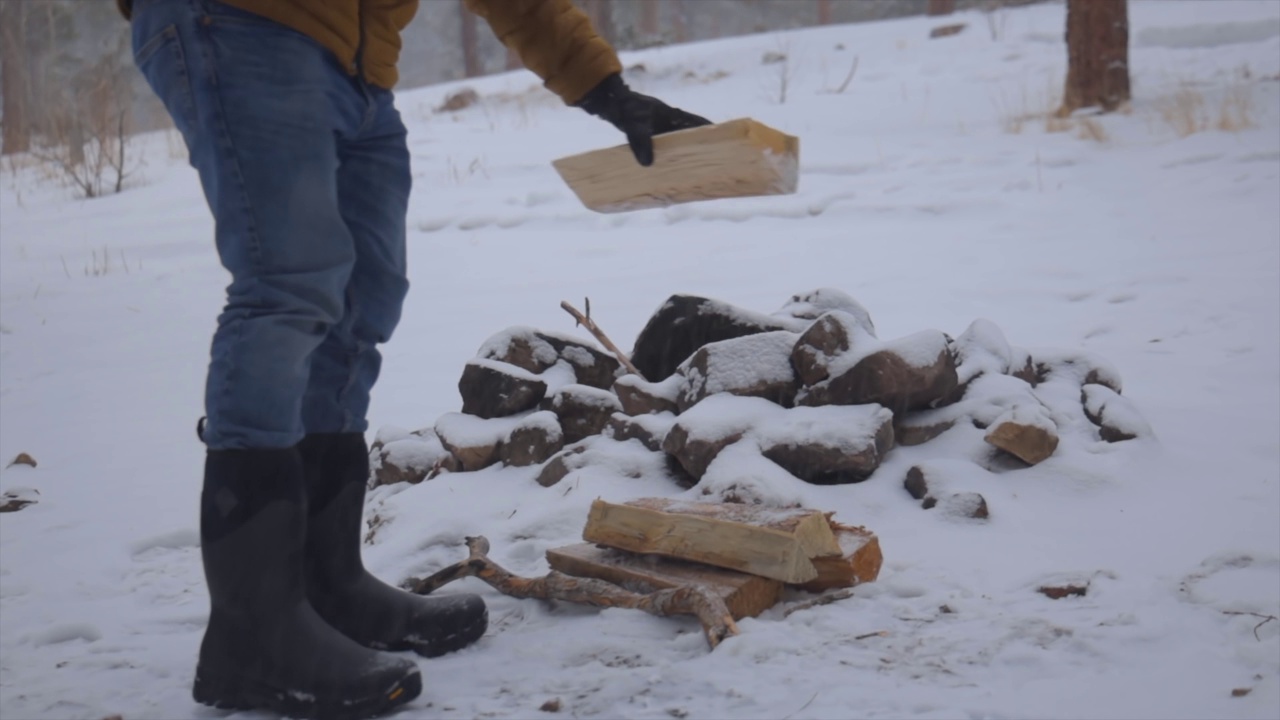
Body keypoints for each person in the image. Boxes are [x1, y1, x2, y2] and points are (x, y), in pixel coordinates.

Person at [115, 1, 710, 717]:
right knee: (287, 287)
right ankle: (252, 632)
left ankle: (325, 588)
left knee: (365, 298)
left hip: (362, 62)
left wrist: (603, 90)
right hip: (242, 24)